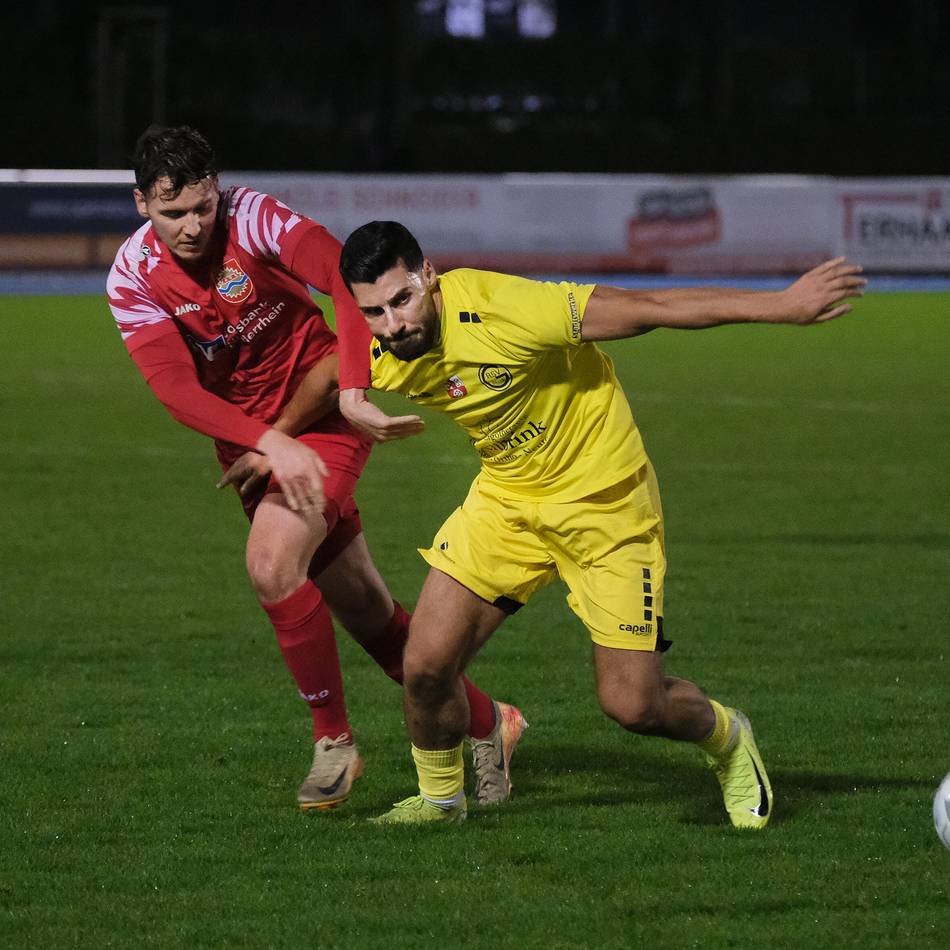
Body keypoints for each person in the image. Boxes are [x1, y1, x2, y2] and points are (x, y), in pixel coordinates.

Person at [335, 220, 866, 825]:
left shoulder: (504, 308)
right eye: (373, 312)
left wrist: (781, 305)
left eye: (401, 300)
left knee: (633, 704)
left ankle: (727, 739)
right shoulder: (378, 347)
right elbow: (324, 378)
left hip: (606, 506)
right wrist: (266, 444)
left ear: (428, 275)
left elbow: (649, 306)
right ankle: (441, 801)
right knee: (425, 666)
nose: (392, 323)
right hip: (508, 503)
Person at [105, 126, 526, 812]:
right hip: (251, 442)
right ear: (141, 206)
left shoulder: (255, 216)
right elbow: (176, 390)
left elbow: (341, 278)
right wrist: (264, 442)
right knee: (371, 617)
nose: (193, 225)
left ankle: (334, 741)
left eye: (203, 207)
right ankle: (489, 722)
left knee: (272, 564)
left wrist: (353, 387)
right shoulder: (130, 276)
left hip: (322, 411)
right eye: (173, 213)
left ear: (219, 192)